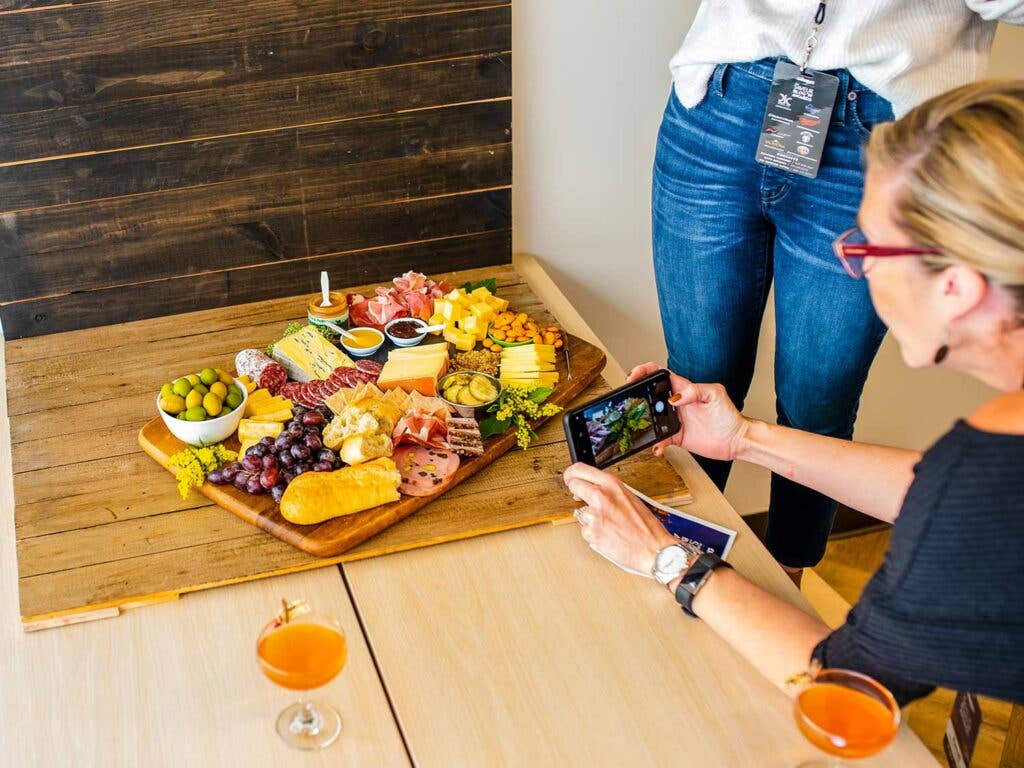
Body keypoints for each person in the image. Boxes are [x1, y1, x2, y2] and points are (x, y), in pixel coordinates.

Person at [569, 81, 1024, 704]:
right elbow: (947, 493)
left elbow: (850, 692)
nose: (848, 261)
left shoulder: (985, 473)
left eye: (865, 247)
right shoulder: (989, 469)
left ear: (958, 288)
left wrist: (667, 558)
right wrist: (745, 439)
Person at [654, 1, 1024, 580]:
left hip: (882, 122)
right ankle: (675, 565)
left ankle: (789, 580)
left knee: (818, 402)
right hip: (726, 94)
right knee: (696, 380)